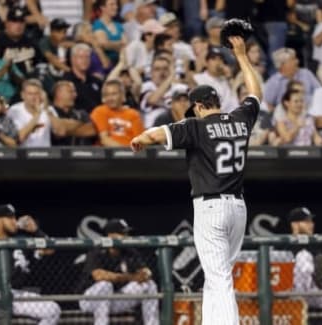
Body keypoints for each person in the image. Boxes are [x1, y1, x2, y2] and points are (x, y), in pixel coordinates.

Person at [130, 36, 261, 325]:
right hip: (238, 207)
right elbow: (255, 92)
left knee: (219, 277)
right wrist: (241, 55)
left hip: (211, 208)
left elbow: (154, 135)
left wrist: (140, 138)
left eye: (195, 108)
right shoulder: (240, 119)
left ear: (200, 106)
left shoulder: (196, 127)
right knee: (218, 275)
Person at [0, 204, 61, 325]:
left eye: (15, 218)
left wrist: (36, 231)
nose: (14, 221)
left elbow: (50, 249)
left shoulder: (22, 241)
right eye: (9, 218)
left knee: (53, 309)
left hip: (17, 294)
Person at [78, 218, 159, 325]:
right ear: (111, 235)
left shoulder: (129, 251)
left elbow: (146, 272)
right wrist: (131, 277)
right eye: (123, 233)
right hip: (90, 300)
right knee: (105, 285)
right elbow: (98, 275)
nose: (126, 237)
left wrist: (145, 275)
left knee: (150, 285)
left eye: (127, 233)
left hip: (115, 299)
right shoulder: (97, 250)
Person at [91, 80, 144, 147]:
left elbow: (139, 142)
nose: (110, 98)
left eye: (114, 94)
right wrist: (123, 152)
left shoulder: (134, 114)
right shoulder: (100, 111)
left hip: (132, 154)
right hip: (108, 154)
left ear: (122, 95)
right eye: (107, 95)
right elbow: (104, 140)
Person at [63, 43, 103, 113]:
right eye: (81, 57)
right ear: (72, 59)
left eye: (87, 57)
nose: (85, 60)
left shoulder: (96, 81)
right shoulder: (66, 82)